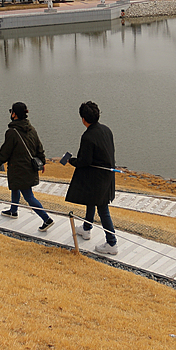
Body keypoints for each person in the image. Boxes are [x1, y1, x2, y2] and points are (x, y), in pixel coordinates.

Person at [65, 101, 118, 255]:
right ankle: (87, 229)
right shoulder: (106, 130)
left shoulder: (88, 136)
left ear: (83, 118)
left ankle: (112, 243)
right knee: (91, 200)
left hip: (96, 177)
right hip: (106, 174)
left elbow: (84, 161)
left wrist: (70, 160)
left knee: (103, 209)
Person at [0, 102, 54, 232]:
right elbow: (39, 147)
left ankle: (46, 219)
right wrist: (42, 162)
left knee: (28, 196)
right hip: (29, 168)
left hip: (20, 169)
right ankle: (13, 211)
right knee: (15, 187)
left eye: (11, 111)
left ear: (14, 114)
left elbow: (5, 152)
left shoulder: (12, 132)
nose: (10, 113)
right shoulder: (31, 129)